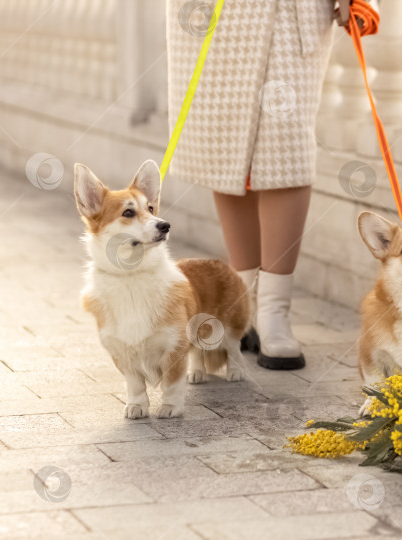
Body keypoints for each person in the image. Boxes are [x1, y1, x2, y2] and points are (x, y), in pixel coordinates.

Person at [166, 0, 337, 369]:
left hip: (293, 14)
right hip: (212, 15)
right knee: (223, 147)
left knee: (286, 149)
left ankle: (275, 312)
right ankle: (242, 307)